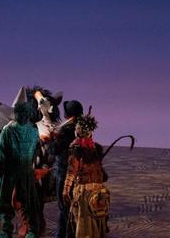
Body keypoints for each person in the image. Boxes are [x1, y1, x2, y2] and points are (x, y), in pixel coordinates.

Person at [0, 100, 41, 238]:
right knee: (29, 201)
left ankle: (6, 231)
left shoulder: (8, 130)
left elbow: (1, 154)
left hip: (10, 171)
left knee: (5, 201)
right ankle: (32, 231)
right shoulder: (33, 130)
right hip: (26, 170)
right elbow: (36, 151)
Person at [63, 109, 109, 238]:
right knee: (96, 219)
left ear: (78, 131)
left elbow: (71, 171)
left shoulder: (75, 148)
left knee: (84, 222)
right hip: (98, 189)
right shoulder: (95, 148)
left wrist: (66, 189)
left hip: (84, 192)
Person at [49, 100, 83, 238]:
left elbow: (54, 150)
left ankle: (62, 235)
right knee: (72, 206)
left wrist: (51, 139)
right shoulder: (83, 129)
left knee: (64, 207)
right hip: (78, 173)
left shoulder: (66, 130)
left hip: (64, 172)